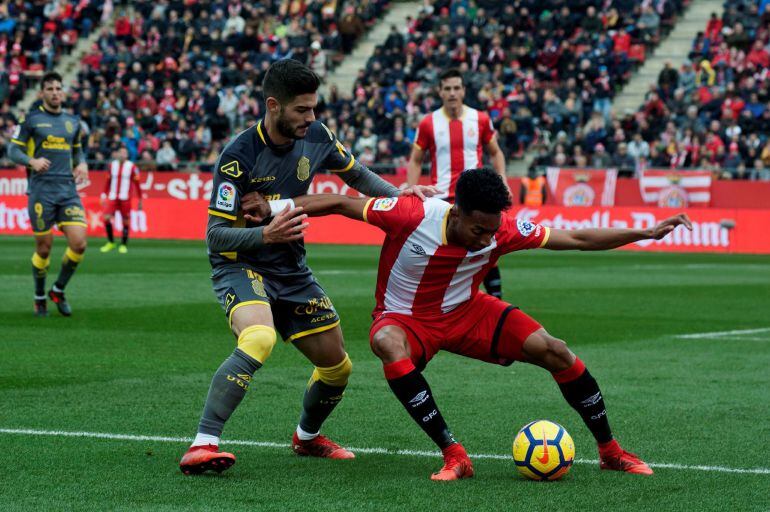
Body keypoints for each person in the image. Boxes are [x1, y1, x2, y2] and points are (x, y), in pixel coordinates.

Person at [244, 167, 692, 481]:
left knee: (555, 350)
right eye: (479, 230)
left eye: (493, 231)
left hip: (469, 312)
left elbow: (575, 238)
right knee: (386, 342)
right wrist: (274, 206)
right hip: (406, 318)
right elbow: (340, 201)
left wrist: (644, 233)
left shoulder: (501, 230)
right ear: (455, 213)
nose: (487, 239)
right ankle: (454, 454)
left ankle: (611, 452)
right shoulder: (411, 214)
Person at [178, 59, 436, 475]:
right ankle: (203, 444)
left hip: (291, 267)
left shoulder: (317, 136)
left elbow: (358, 176)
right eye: (302, 109)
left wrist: (401, 198)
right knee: (259, 337)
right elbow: (215, 236)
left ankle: (307, 437)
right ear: (273, 106)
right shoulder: (237, 157)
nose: (311, 117)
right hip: (242, 264)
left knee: (338, 367)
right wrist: (265, 235)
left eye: (314, 108)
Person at [407, 68, 509, 299]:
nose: (452, 93)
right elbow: (415, 160)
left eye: (456, 88)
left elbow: (496, 152)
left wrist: (503, 179)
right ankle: (439, 301)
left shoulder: (481, 119)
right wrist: (412, 190)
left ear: (463, 90)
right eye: (447, 88)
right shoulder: (428, 123)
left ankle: (496, 300)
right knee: (442, 252)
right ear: (440, 92)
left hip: (475, 199)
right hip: (441, 199)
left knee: (486, 248)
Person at [7, 72, 89, 317]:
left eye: (58, 88)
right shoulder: (30, 120)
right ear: (42, 92)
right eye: (50, 89)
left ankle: (58, 289)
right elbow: (13, 150)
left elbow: (78, 150)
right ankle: (39, 296)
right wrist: (31, 161)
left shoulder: (72, 121)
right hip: (41, 190)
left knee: (79, 243)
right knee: (44, 249)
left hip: (68, 190)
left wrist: (82, 163)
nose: (55, 92)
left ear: (63, 92)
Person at [100, 146, 144, 253]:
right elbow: (108, 181)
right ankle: (111, 242)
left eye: (125, 153)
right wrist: (104, 194)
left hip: (125, 198)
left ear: (127, 155)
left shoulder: (132, 167)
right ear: (118, 154)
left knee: (125, 220)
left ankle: (123, 244)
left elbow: (137, 183)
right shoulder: (112, 165)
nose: (122, 155)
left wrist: (140, 199)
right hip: (113, 196)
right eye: (121, 152)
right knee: (106, 218)